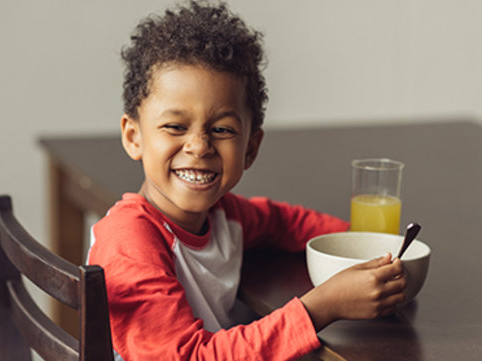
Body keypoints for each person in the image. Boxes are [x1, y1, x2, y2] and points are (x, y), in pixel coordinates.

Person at [87, 1, 407, 360]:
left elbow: (283, 223)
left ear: (251, 148)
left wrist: (363, 248)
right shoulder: (129, 243)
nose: (198, 146)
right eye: (175, 126)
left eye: (222, 129)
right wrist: (322, 306)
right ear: (134, 137)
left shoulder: (224, 217)